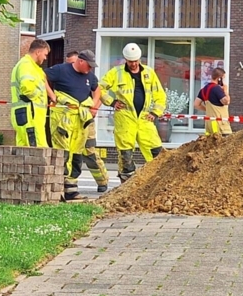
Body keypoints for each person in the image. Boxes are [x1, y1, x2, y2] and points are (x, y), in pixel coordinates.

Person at [46, 50, 109, 200]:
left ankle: (71, 190)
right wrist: (52, 96)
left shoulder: (89, 76)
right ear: (80, 61)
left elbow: (97, 89)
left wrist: (93, 105)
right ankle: (60, 188)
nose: (90, 69)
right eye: (89, 65)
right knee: (63, 153)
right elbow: (42, 77)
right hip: (64, 121)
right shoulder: (61, 70)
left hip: (80, 122)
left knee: (77, 154)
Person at [99, 43, 166, 182]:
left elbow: (160, 94)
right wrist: (111, 102)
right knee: (125, 152)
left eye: (136, 61)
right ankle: (126, 180)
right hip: (125, 116)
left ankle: (160, 178)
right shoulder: (116, 73)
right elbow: (99, 88)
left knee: (155, 148)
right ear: (125, 59)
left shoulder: (148, 72)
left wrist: (155, 113)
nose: (134, 64)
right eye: (130, 61)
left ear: (139, 59)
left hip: (144, 117)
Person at [10, 39, 54, 147]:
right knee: (35, 150)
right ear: (38, 52)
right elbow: (27, 89)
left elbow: (43, 82)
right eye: (45, 54)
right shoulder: (27, 65)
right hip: (30, 115)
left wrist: (52, 97)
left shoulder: (32, 67)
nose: (45, 58)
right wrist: (38, 96)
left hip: (27, 114)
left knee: (25, 148)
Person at [194, 67, 232, 135]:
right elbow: (226, 101)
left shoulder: (203, 90)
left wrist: (208, 110)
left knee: (211, 143)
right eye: (223, 78)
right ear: (219, 78)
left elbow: (196, 105)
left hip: (209, 123)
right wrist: (226, 91)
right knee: (222, 142)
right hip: (219, 124)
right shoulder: (217, 89)